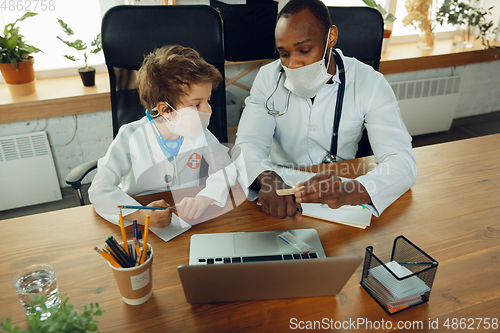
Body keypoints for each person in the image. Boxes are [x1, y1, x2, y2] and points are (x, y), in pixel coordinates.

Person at [234, 0, 417, 221]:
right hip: (280, 195)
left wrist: (350, 191)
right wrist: (265, 179)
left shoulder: (369, 82)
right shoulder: (268, 78)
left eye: (304, 50)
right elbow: (248, 144)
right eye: (284, 54)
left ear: (331, 37)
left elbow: (402, 161)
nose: (294, 64)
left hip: (339, 198)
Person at [89, 45, 237, 228]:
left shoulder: (200, 133)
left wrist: (203, 200)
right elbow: (99, 189)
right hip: (142, 229)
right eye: (197, 104)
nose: (209, 110)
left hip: (186, 222)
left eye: (208, 100)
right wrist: (139, 214)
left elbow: (226, 170)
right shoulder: (129, 136)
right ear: (165, 109)